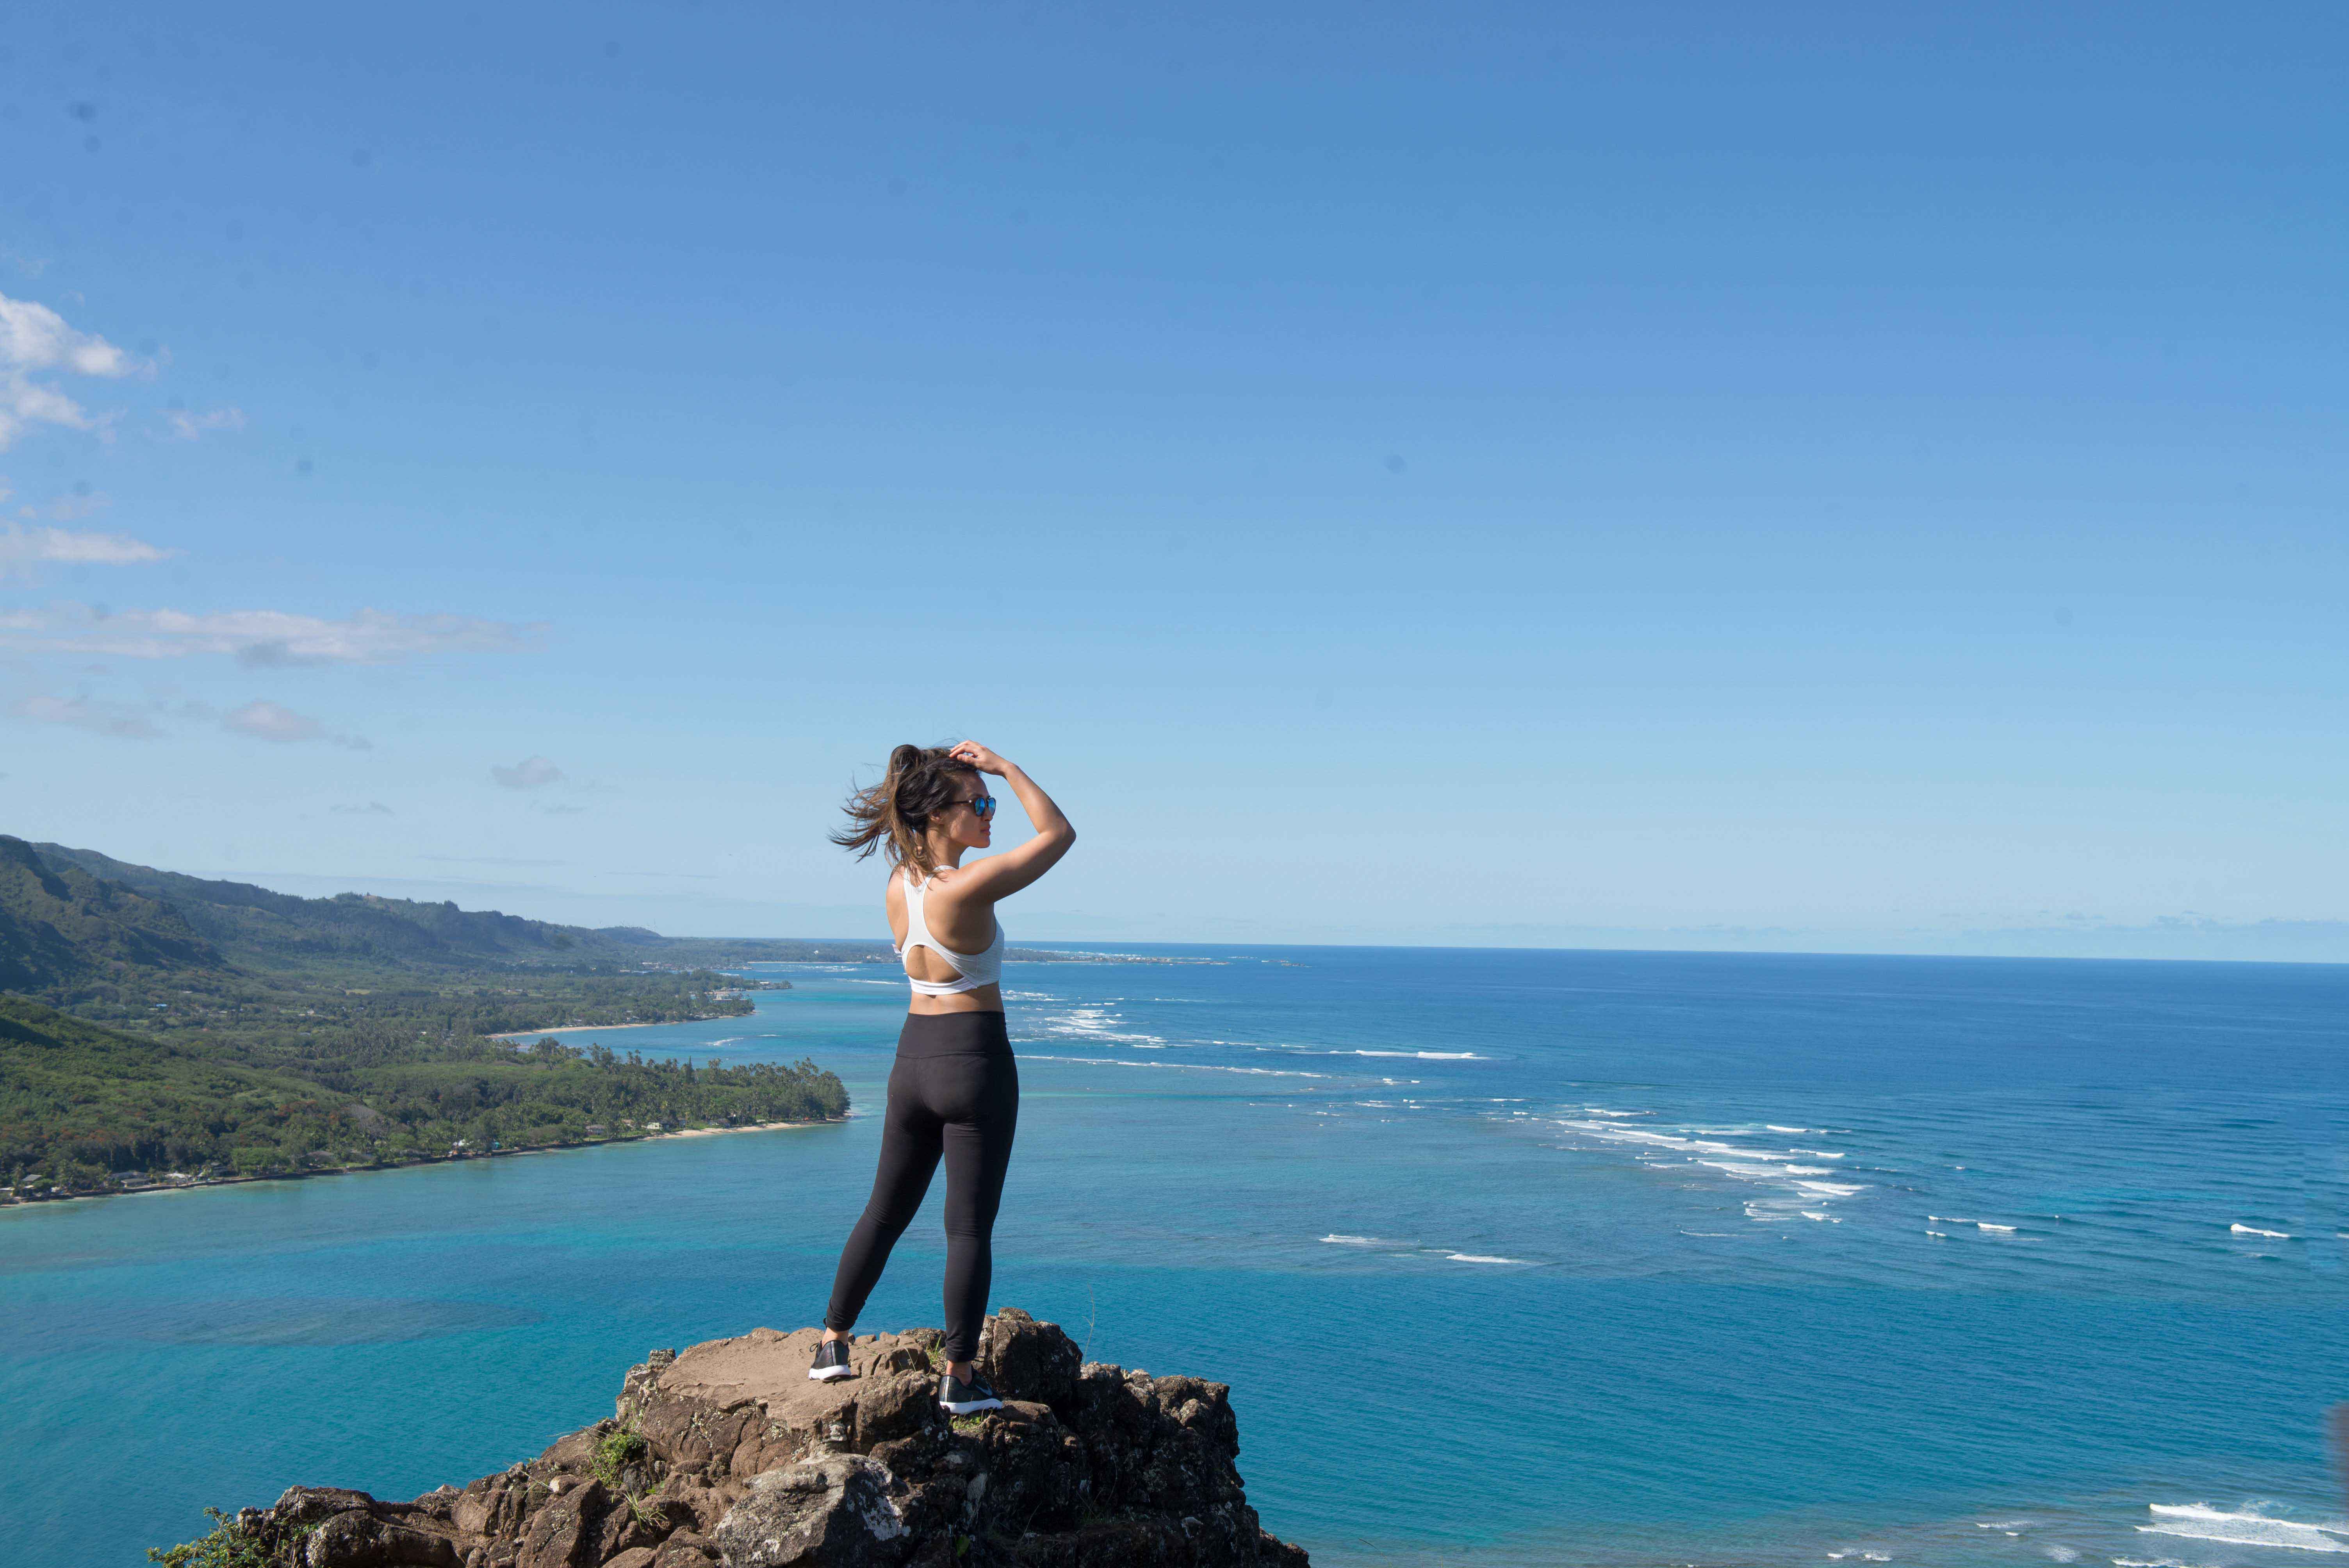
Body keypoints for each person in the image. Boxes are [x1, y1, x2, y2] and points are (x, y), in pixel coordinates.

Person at [810, 740, 1075, 1414]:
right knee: (968, 1229)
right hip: (975, 1060)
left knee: (884, 1211)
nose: (991, 815)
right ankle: (959, 1378)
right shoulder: (968, 886)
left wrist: (979, 783)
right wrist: (1009, 768)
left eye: (990, 802)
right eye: (978, 805)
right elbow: (1059, 834)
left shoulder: (900, 885)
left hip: (911, 1061)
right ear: (937, 813)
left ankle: (832, 1343)